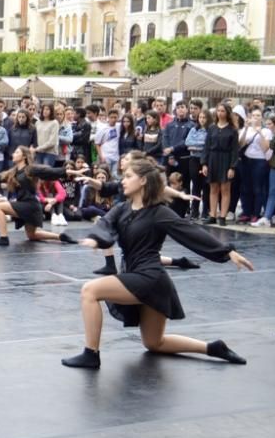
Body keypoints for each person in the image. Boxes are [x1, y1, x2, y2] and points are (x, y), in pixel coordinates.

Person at [61, 157, 254, 369]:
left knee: (89, 290)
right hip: (142, 277)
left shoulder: (158, 212)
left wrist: (227, 252)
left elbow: (190, 232)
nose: (122, 181)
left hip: (150, 278)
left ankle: (91, 354)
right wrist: (96, 238)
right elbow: (105, 225)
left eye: (127, 176)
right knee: (154, 343)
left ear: (143, 181)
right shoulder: (122, 209)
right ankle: (213, 347)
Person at [0, 146, 78, 247]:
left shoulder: (31, 169)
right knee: (32, 235)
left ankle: (3, 238)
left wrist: (70, 172)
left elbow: (50, 172)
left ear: (24, 156)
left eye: (16, 152)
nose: (13, 154)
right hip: (27, 205)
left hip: (30, 205)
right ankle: (61, 236)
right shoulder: (13, 172)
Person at [201, 103, 238, 226]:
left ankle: (222, 216)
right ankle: (212, 215)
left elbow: (234, 150)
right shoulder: (212, 128)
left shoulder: (232, 130)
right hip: (213, 159)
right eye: (218, 111)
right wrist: (204, 163)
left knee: (225, 189)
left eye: (222, 111)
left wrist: (232, 167)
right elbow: (206, 146)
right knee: (213, 188)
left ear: (227, 112)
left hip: (226, 159)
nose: (220, 113)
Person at [95, 109, 121, 174]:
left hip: (116, 157)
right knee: (106, 175)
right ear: (108, 118)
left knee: (114, 176)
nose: (113, 119)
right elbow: (97, 143)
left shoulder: (119, 126)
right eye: (111, 117)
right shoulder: (102, 128)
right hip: (106, 156)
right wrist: (101, 156)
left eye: (115, 117)